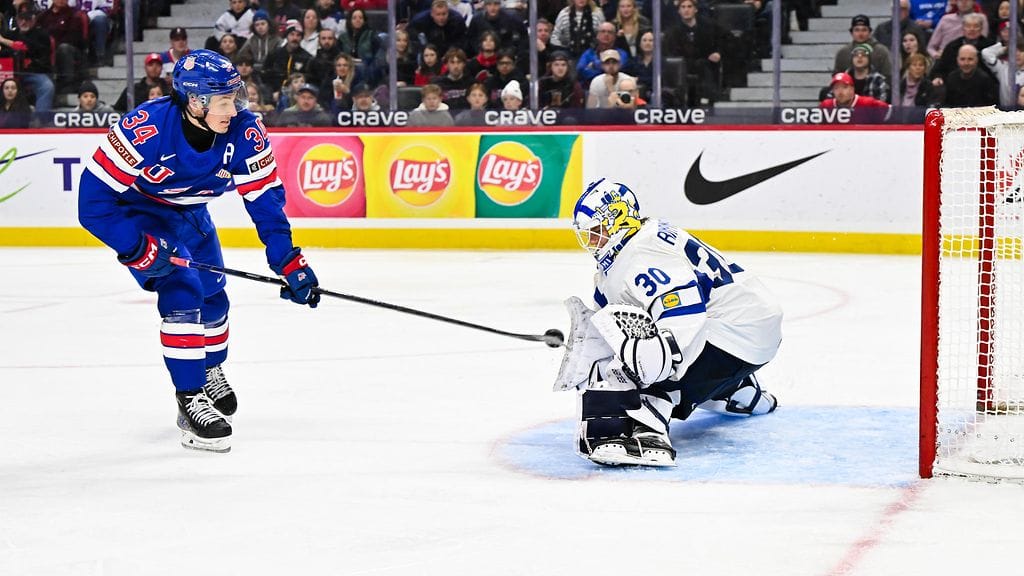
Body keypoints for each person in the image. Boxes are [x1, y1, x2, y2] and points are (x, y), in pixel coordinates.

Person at [77, 49, 320, 453]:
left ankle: (210, 369)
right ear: (195, 100)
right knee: (183, 290)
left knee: (214, 295)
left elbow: (264, 200)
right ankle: (189, 399)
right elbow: (92, 204)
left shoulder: (245, 130)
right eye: (224, 100)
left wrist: (288, 260)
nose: (235, 107)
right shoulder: (145, 129)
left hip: (191, 215)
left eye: (234, 96)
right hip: (142, 215)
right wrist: (136, 247)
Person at [554, 179, 782, 467]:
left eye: (597, 232)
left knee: (645, 364)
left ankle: (646, 428)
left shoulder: (640, 253)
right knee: (639, 348)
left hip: (735, 334)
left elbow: (683, 316)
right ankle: (735, 389)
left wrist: (645, 373)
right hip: (751, 328)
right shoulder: (638, 244)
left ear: (618, 221)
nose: (592, 241)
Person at [0, 8, 54, 113]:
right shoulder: (10, 34)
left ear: (34, 20)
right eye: (21, 19)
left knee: (47, 86)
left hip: (32, 73)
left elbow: (28, 48)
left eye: (27, 19)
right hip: (9, 73)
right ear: (16, 19)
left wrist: (4, 41)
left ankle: (40, 121)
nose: (23, 22)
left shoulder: (42, 34)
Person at [833, 15, 893, 82]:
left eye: (864, 30)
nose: (860, 34)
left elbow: (888, 76)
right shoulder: (843, 53)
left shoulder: (881, 51)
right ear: (851, 32)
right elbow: (837, 77)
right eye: (857, 30)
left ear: (869, 32)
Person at [820, 71, 891, 122]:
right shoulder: (826, 105)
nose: (840, 92)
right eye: (836, 88)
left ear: (852, 89)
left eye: (844, 87)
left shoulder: (868, 103)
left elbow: (891, 112)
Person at [982, 37, 1024, 108]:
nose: (1017, 54)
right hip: (1005, 113)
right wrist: (1005, 48)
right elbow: (986, 53)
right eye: (1013, 51)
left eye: (1021, 51)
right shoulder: (1003, 68)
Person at [237, 9, 280, 75]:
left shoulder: (277, 40)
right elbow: (241, 55)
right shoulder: (251, 40)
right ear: (253, 27)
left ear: (269, 24)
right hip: (254, 71)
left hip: (271, 71)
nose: (260, 27)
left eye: (263, 24)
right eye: (257, 25)